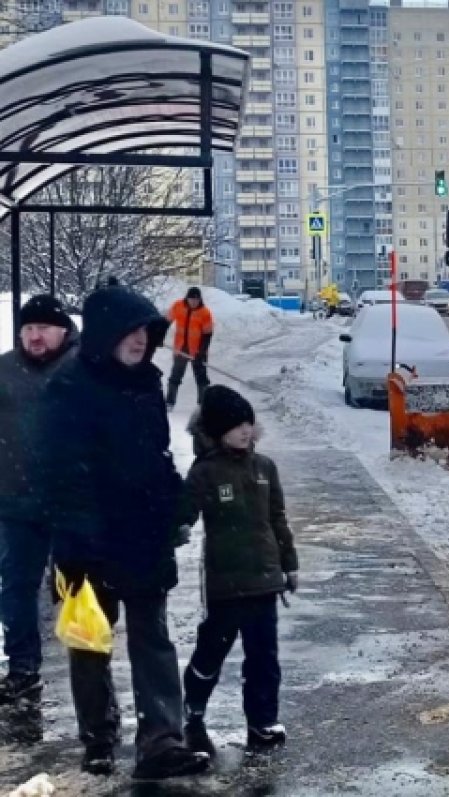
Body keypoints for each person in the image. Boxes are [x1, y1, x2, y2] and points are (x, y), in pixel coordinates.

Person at [36, 285, 210, 779]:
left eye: (145, 332)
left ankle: (161, 740)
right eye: (130, 332)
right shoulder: (68, 386)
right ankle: (98, 736)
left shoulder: (146, 383)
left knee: (153, 639)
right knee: (90, 644)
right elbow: (60, 473)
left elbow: (156, 456)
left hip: (142, 536)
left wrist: (174, 503)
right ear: (105, 335)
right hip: (84, 544)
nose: (139, 341)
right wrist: (81, 537)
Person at [178, 385, 298, 759]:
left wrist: (289, 563)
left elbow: (277, 518)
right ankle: (193, 716)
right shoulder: (205, 472)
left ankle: (262, 722)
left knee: (264, 659)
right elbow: (183, 514)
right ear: (217, 431)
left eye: (247, 423)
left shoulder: (264, 468)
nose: (244, 431)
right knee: (210, 654)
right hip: (225, 586)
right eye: (234, 426)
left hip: (264, 582)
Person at [0, 296, 78, 706]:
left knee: (84, 588)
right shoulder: (4, 371)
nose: (34, 335)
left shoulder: (81, 369)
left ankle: (92, 675)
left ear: (63, 330)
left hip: (73, 505)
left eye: (43, 327)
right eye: (28, 328)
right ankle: (22, 668)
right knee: (15, 586)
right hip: (16, 502)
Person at [165, 287, 214, 410]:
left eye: (196, 300)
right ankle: (170, 402)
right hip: (181, 348)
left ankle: (202, 405)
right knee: (175, 376)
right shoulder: (178, 306)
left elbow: (207, 334)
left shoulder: (205, 312)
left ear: (200, 299)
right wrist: (159, 336)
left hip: (198, 351)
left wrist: (201, 352)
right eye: (192, 299)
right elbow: (166, 322)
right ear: (187, 298)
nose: (194, 302)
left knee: (202, 378)